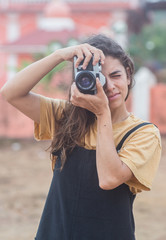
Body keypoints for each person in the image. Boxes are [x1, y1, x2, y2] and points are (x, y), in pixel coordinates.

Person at [1, 34, 161, 240]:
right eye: (100, 79)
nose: (109, 86)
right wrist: (59, 56)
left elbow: (109, 179)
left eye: (116, 75)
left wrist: (102, 113)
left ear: (129, 75)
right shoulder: (66, 117)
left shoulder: (143, 133)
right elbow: (11, 93)